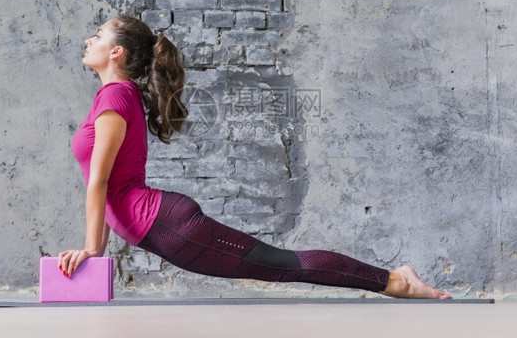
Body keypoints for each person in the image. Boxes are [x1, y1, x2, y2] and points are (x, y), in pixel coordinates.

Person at [58, 16, 451, 299]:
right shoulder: (113, 96)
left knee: (283, 265)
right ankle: (394, 280)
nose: (88, 41)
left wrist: (92, 250)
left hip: (167, 225)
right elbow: (109, 187)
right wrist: (96, 250)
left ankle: (396, 282)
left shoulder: (115, 96)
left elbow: (100, 182)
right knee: (279, 265)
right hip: (161, 224)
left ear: (116, 51)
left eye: (97, 35)